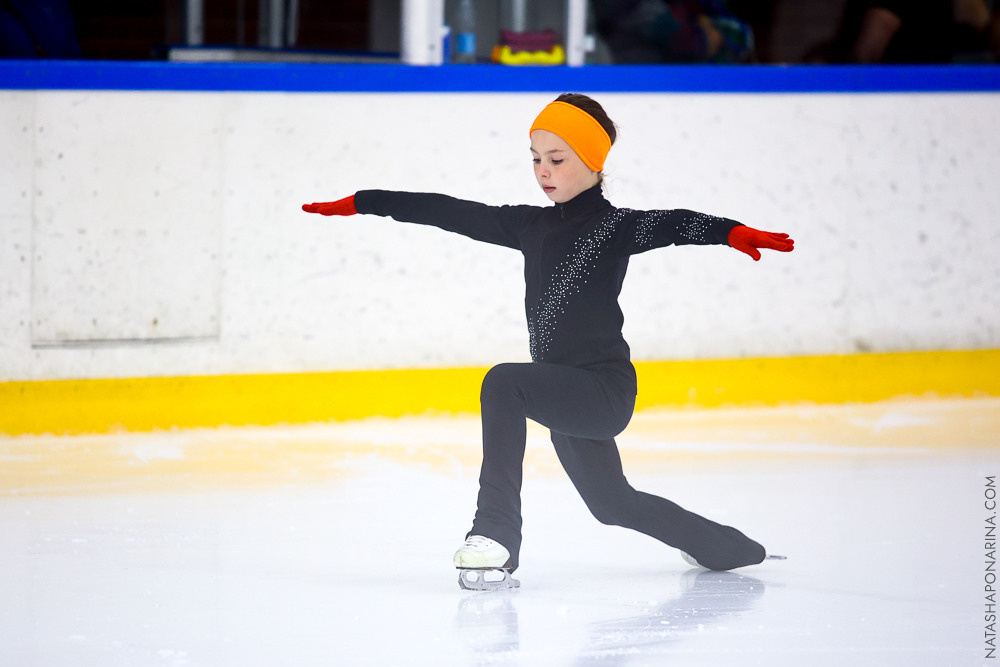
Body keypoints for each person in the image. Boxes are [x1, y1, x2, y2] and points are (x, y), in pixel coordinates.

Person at [302, 94, 794, 590]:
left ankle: (495, 535)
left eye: (557, 159)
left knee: (504, 383)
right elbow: (449, 211)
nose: (543, 171)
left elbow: (677, 223)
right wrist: (368, 201)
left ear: (593, 162)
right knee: (612, 505)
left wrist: (731, 232)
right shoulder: (529, 225)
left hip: (603, 391)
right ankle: (729, 547)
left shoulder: (615, 227)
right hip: (563, 391)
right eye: (536, 159)